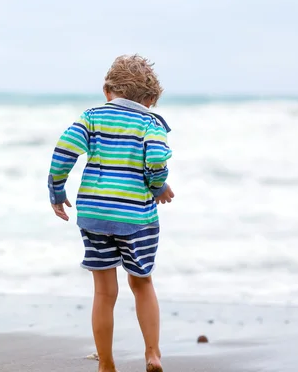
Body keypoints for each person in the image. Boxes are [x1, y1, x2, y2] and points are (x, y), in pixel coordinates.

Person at [47, 55, 174, 372]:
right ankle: (153, 354)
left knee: (104, 292)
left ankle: (106, 363)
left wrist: (57, 191)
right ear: (149, 100)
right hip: (136, 217)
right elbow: (157, 158)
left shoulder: (90, 117)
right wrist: (158, 186)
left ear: (107, 91)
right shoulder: (150, 123)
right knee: (141, 283)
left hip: (94, 214)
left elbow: (64, 150)